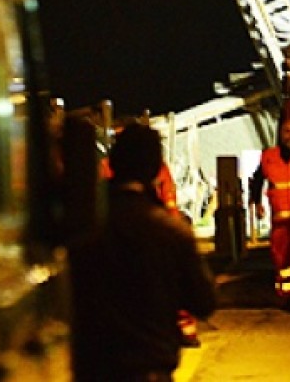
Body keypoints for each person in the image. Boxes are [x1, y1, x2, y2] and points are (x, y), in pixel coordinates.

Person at [71, 122, 216, 381]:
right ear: (154, 169)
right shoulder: (170, 231)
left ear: (114, 164)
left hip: (97, 371)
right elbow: (204, 301)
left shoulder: (83, 229)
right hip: (150, 368)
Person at [250, 118, 290, 311]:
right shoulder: (269, 156)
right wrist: (257, 201)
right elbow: (257, 179)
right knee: (281, 259)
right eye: (287, 131)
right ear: (280, 134)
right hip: (279, 218)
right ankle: (286, 294)